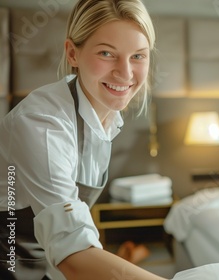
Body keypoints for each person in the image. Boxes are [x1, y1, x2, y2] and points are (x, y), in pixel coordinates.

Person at [0, 0, 168, 279]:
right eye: (106, 53)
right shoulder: (43, 124)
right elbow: (74, 254)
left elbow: (74, 228)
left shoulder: (106, 118)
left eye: (138, 56)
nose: (125, 73)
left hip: (48, 265)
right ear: (72, 54)